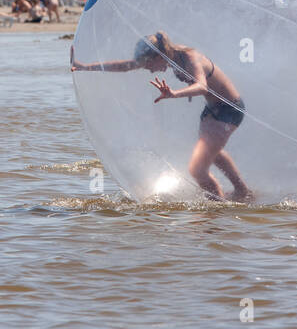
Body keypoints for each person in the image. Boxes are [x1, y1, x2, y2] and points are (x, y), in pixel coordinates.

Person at [71, 31, 251, 202]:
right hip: (212, 110)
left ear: (159, 56)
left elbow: (202, 86)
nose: (149, 70)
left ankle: (215, 211)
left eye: (149, 64)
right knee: (214, 153)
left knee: (197, 169)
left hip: (229, 108)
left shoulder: (189, 57)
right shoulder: (169, 56)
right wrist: (85, 67)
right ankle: (242, 192)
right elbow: (126, 66)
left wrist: (173, 94)